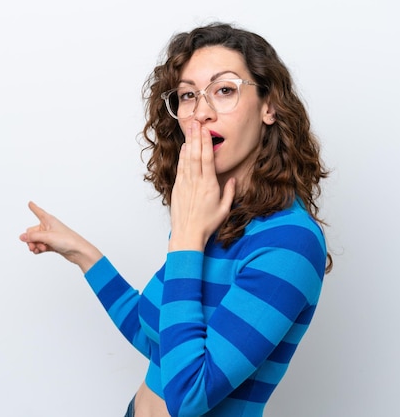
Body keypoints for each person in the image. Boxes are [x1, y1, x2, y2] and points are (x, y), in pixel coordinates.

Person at [20, 22, 332, 417]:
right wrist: (84, 254)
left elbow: (189, 396)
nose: (201, 112)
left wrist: (186, 237)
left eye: (224, 90)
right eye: (188, 95)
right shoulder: (208, 217)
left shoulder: (289, 241)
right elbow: (158, 340)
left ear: (269, 106)